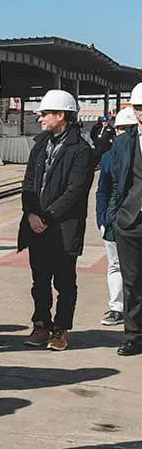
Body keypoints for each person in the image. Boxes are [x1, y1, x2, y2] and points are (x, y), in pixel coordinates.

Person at [18, 90, 94, 351]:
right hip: (36, 226)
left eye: (45, 113)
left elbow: (75, 192)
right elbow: (28, 182)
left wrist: (47, 217)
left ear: (61, 115)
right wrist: (31, 213)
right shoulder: (40, 145)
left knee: (64, 282)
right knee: (39, 282)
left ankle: (60, 330)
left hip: (63, 229)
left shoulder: (80, 150)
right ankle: (41, 324)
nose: (40, 118)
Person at [108, 83, 142, 357]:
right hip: (129, 222)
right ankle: (133, 336)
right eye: (139, 107)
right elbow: (116, 182)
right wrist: (114, 218)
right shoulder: (122, 142)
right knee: (131, 282)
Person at [96, 107, 136, 328]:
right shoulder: (108, 158)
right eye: (120, 128)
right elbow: (102, 191)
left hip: (135, 220)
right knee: (115, 265)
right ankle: (117, 308)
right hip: (114, 220)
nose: (123, 133)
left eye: (128, 128)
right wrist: (101, 219)